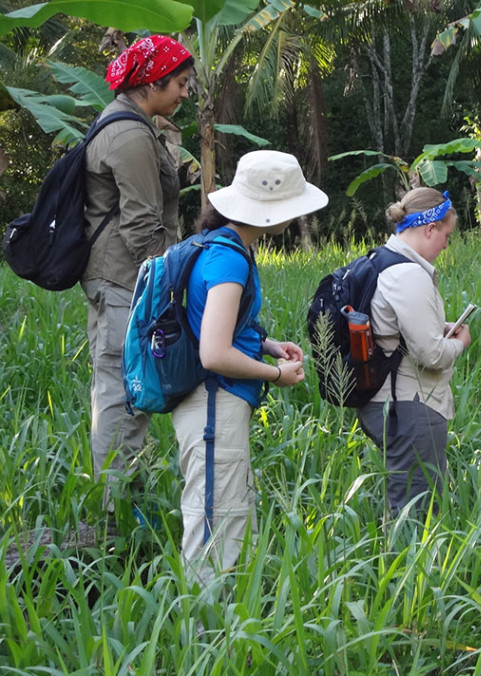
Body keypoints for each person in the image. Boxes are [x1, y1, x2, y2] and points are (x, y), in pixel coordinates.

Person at [174, 150, 327, 586]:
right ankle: (204, 641)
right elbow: (214, 353)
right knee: (216, 531)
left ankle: (228, 638)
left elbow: (213, 325)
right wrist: (276, 375)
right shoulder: (229, 259)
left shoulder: (224, 245)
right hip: (212, 407)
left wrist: (268, 345)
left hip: (214, 405)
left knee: (230, 520)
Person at [82, 35, 195, 507]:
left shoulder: (131, 122)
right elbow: (143, 229)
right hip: (124, 281)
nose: (186, 93)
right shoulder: (129, 135)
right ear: (154, 82)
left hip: (122, 279)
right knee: (122, 392)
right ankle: (111, 518)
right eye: (182, 83)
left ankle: (122, 504)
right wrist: (186, 275)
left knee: (127, 392)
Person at [357, 187, 471, 518]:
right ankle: (411, 571)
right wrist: (460, 342)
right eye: (446, 235)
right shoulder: (408, 274)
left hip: (385, 401)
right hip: (410, 405)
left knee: (403, 505)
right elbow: (432, 354)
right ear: (430, 229)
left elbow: (395, 332)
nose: (447, 244)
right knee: (417, 515)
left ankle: (391, 566)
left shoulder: (380, 260)